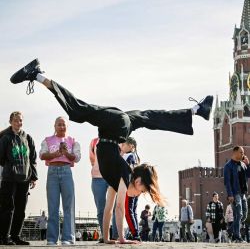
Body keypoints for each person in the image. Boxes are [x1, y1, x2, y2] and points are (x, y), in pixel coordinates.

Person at [10, 58, 213, 244]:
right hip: (115, 127)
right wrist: (122, 239)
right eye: (141, 191)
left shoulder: (117, 178)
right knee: (78, 110)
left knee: (150, 117)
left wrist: (107, 238)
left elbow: (109, 208)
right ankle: (36, 74)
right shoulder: (124, 174)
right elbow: (119, 208)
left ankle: (197, 110)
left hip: (117, 126)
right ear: (139, 181)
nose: (136, 195)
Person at [39, 116, 81, 245]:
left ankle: (68, 238)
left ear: (67, 126)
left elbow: (77, 157)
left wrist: (66, 153)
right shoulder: (47, 140)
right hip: (52, 171)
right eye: (59, 124)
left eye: (63, 124)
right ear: (55, 126)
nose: (61, 126)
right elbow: (42, 155)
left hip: (66, 171)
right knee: (53, 207)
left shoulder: (72, 141)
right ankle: (52, 239)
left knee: (68, 206)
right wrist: (56, 154)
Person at [0, 111, 38, 245]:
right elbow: (1, 158)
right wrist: (11, 166)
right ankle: (4, 237)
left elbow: (33, 158)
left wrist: (33, 176)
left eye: (20, 120)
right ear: (11, 122)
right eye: (16, 120)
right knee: (7, 208)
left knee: (20, 209)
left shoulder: (27, 138)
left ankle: (16, 236)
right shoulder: (5, 138)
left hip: (24, 179)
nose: (18, 123)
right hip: (9, 179)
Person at [89, 137, 118, 242]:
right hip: (97, 178)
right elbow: (92, 159)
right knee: (101, 209)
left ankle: (116, 235)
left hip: (113, 177)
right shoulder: (94, 142)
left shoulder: (117, 139)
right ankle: (105, 236)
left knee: (116, 208)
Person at [224, 146, 250, 243]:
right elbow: (227, 182)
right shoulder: (228, 166)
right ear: (234, 152)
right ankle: (237, 237)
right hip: (235, 193)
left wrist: (248, 164)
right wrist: (230, 194)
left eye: (243, 152)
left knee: (243, 216)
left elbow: (249, 175)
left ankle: (230, 231)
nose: (243, 154)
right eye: (241, 152)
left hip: (243, 193)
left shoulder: (243, 164)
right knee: (238, 214)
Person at [121, 137, 141, 240]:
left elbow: (129, 170)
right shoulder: (136, 156)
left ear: (131, 146)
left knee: (128, 211)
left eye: (124, 145)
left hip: (130, 187)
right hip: (137, 187)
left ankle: (135, 234)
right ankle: (136, 232)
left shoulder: (129, 156)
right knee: (133, 210)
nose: (122, 146)